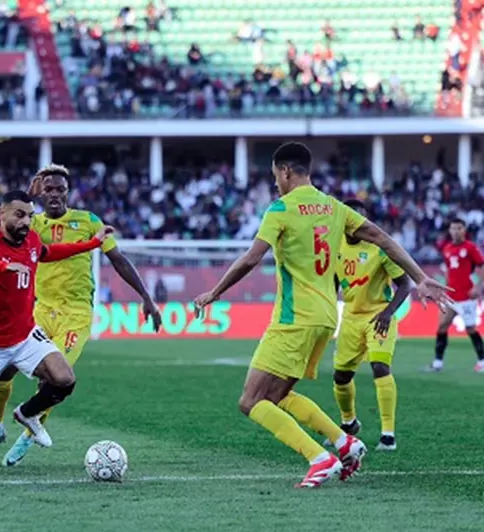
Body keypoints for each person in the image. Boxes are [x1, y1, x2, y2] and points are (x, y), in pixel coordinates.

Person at [193, 142, 451, 488]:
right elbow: (382, 238)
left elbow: (251, 258)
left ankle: (319, 457)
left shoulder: (280, 209)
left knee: (250, 401)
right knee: (279, 396)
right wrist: (420, 277)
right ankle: (345, 443)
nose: (275, 183)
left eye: (275, 176)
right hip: (329, 318)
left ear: (285, 171)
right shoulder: (334, 207)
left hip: (294, 318)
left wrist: (215, 292)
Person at [0, 165, 161, 467]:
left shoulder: (88, 221)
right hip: (38, 311)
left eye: (60, 189)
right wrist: (27, 200)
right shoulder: (30, 224)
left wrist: (147, 298)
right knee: (4, 368)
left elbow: (118, 259)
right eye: (49, 189)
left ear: (68, 193)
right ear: (41, 193)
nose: (55, 194)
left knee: (56, 378)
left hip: (75, 314)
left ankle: (27, 435)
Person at [0, 190, 115, 474]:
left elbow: (49, 252)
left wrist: (92, 243)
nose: (27, 222)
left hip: (24, 336)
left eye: (30, 215)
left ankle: (26, 413)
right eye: (19, 215)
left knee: (64, 379)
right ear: (2, 214)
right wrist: (2, 266)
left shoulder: (31, 240)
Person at [331, 199, 413, 452]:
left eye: (362, 219)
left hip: (378, 315)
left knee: (380, 367)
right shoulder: (334, 246)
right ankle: (348, 423)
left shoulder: (379, 249)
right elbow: (333, 282)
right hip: (351, 317)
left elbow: (405, 284)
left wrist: (388, 313)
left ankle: (388, 434)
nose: (359, 224)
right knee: (341, 376)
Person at [429, 218, 484, 372]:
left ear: (464, 230)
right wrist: (444, 288)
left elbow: (482, 265)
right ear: (450, 230)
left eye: (459, 228)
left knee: (471, 329)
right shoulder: (447, 248)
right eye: (453, 228)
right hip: (451, 297)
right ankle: (437, 363)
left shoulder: (470, 247)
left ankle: (482, 361)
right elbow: (448, 271)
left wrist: (479, 287)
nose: (456, 231)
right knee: (442, 326)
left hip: (467, 297)